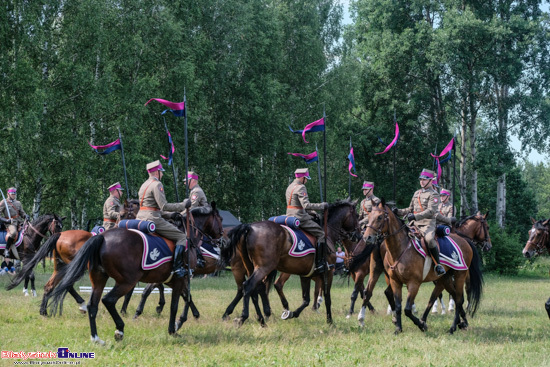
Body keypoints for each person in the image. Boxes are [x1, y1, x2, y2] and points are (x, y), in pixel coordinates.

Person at [136, 160, 190, 278]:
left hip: (140, 218)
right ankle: (177, 268)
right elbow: (164, 206)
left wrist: (170, 215)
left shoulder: (144, 185)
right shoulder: (157, 185)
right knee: (181, 237)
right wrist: (183, 205)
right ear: (157, 172)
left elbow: (151, 207)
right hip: (153, 219)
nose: (163, 174)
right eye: (161, 172)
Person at [394, 168, 445, 276]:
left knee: (430, 239)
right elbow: (410, 209)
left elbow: (431, 211)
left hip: (427, 224)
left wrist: (415, 216)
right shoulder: (417, 193)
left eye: (424, 179)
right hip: (414, 224)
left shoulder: (434, 195)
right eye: (421, 179)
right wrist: (398, 211)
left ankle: (438, 264)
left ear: (431, 181)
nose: (422, 181)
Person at [286, 168, 328, 272]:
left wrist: (312, 212)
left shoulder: (290, 186)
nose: (307, 181)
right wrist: (322, 206)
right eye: (306, 178)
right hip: (300, 217)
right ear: (302, 178)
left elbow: (296, 205)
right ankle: (320, 263)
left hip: (289, 215)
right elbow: (306, 205)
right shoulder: (301, 187)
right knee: (321, 233)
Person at [181, 171, 209, 267]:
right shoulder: (194, 190)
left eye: (186, 181)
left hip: (201, 219)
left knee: (191, 238)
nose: (185, 183)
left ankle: (199, 258)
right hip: (197, 218)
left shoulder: (196, 191)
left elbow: (191, 208)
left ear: (192, 180)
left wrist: (179, 214)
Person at [0, 187, 28, 260]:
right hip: (10, 223)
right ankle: (6, 249)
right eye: (12, 194)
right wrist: (6, 221)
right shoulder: (3, 202)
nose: (14, 195)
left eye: (14, 194)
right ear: (8, 194)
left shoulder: (18, 203)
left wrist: (25, 216)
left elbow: (22, 213)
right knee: (13, 233)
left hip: (19, 222)